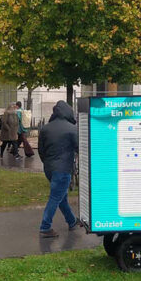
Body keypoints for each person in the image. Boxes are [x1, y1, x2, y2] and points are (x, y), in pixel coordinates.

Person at [37, 101, 79, 237]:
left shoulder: (45, 128)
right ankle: (45, 226)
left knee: (61, 197)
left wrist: (47, 163)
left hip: (49, 168)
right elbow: (79, 148)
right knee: (56, 197)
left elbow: (41, 150)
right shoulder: (72, 129)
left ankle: (72, 221)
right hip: (63, 168)